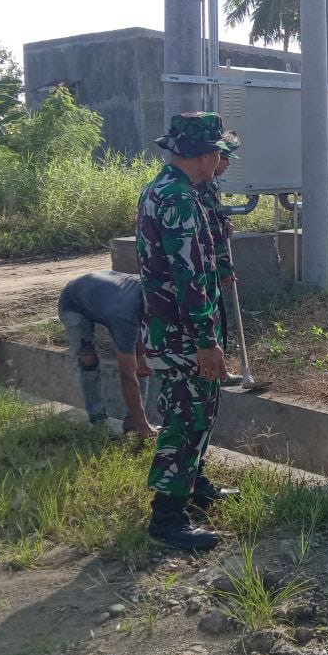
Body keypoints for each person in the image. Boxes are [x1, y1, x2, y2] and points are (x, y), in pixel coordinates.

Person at [136, 112, 239, 550]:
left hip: (172, 330)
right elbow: (189, 277)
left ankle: (193, 485)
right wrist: (207, 341)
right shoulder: (178, 200)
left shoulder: (165, 189)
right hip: (184, 335)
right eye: (216, 151)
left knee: (199, 411)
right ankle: (167, 517)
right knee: (187, 417)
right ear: (201, 155)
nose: (219, 159)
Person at [56, 271, 157, 438]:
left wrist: (142, 356)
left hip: (103, 296)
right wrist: (142, 424)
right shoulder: (125, 315)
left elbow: (144, 324)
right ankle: (98, 421)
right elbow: (127, 374)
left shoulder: (156, 292)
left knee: (143, 365)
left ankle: (132, 421)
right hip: (73, 303)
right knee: (88, 361)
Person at [196, 130, 242, 381]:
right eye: (225, 159)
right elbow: (211, 231)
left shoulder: (209, 183)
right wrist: (226, 269)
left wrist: (225, 219)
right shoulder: (202, 184)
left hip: (208, 263)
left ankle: (219, 371)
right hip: (206, 266)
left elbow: (215, 219)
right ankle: (217, 373)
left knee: (217, 318)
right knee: (212, 320)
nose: (226, 166)